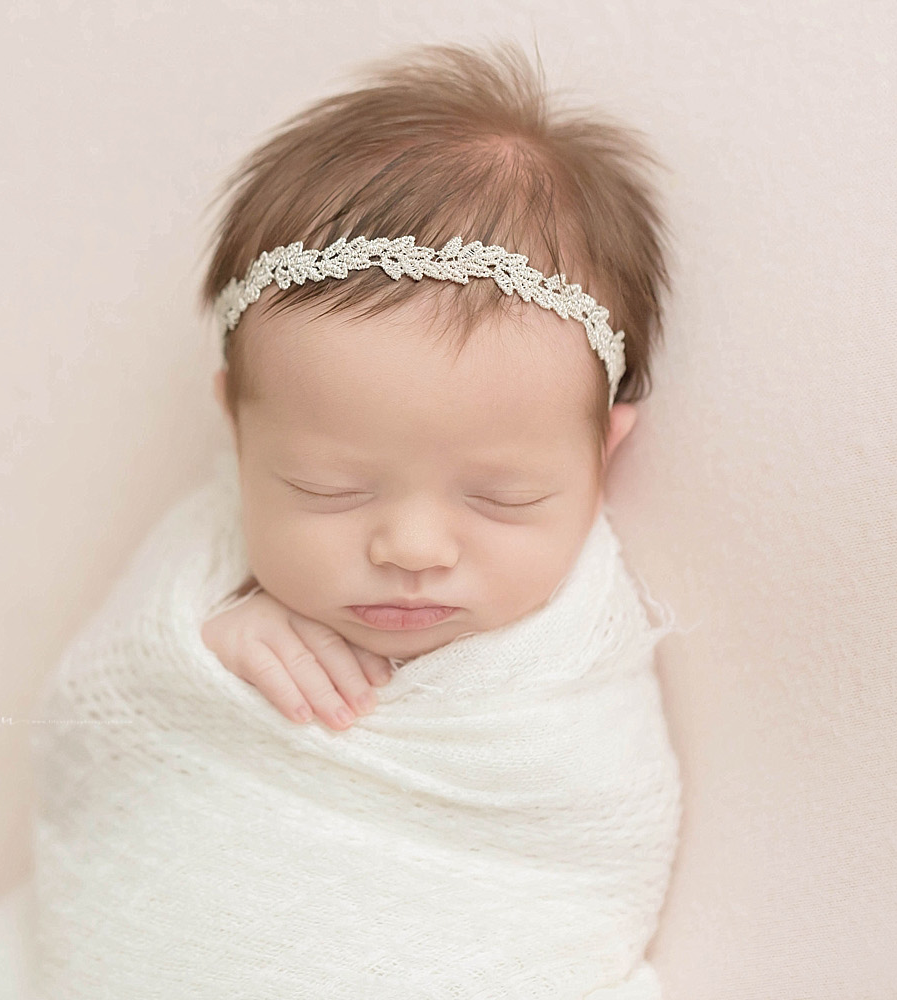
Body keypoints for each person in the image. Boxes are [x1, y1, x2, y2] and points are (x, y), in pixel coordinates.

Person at [198, 40, 668, 733]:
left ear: (602, 453)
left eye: (503, 497)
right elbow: (102, 718)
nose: (413, 550)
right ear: (238, 434)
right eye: (327, 489)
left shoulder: (579, 674)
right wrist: (203, 654)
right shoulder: (197, 587)